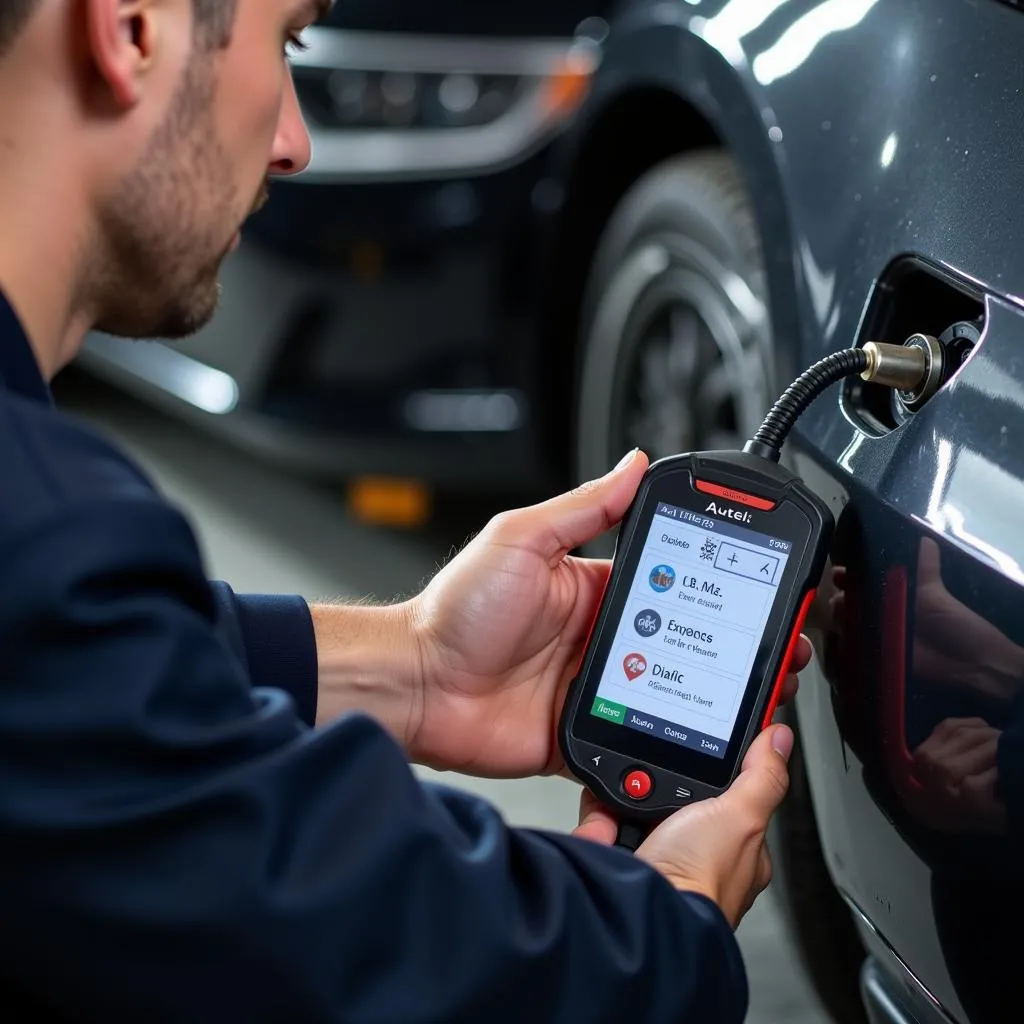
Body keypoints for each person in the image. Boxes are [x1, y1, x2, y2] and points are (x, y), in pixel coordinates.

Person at [0, 2, 811, 1021]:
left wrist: (419, 660)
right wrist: (664, 914)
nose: (293, 142)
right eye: (284, 45)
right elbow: (333, 931)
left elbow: (96, 686)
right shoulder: (45, 531)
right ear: (128, 29)